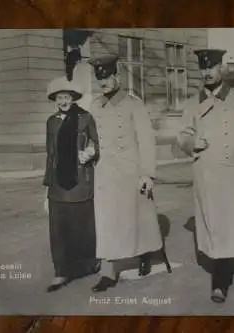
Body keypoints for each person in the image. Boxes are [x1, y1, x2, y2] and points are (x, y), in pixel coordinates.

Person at [177, 49, 234, 303]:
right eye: (203, 68)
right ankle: (223, 272)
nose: (207, 72)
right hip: (206, 175)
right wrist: (193, 142)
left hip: (232, 174)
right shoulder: (193, 103)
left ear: (221, 69)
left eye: (211, 67)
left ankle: (221, 281)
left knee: (228, 226)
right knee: (215, 227)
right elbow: (182, 135)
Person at [87, 55, 163, 292]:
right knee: (106, 222)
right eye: (100, 78)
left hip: (130, 173)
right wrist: (88, 151)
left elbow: (147, 141)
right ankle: (108, 272)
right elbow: (90, 138)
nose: (104, 82)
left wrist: (147, 174)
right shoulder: (95, 106)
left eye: (107, 77)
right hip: (104, 173)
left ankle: (144, 256)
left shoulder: (133, 104)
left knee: (137, 219)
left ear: (116, 76)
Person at [43, 76, 101, 292]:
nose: (63, 101)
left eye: (67, 97)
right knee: (57, 230)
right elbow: (50, 155)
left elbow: (97, 142)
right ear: (55, 100)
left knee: (82, 227)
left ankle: (87, 263)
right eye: (59, 97)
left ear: (73, 98)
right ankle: (61, 272)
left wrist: (91, 152)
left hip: (80, 183)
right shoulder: (51, 122)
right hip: (57, 184)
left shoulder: (85, 118)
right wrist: (46, 190)